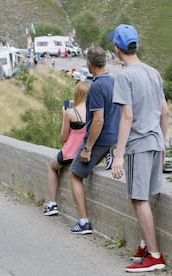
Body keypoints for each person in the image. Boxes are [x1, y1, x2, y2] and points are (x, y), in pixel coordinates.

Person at [109, 24, 168, 273]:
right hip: (155, 141)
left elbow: (127, 117)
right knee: (148, 195)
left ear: (117, 48)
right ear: (136, 45)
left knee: (138, 198)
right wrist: (164, 144)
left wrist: (119, 154)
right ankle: (145, 245)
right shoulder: (153, 72)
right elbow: (165, 112)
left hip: (138, 145)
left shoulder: (124, 76)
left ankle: (154, 256)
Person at [69, 46, 120, 234]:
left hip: (99, 140)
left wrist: (88, 148)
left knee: (75, 174)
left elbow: (98, 120)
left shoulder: (96, 87)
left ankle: (83, 221)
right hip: (114, 137)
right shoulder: (114, 82)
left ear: (89, 65)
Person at [43, 81, 90, 216]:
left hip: (69, 153)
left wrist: (64, 114)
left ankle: (52, 204)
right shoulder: (93, 113)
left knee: (52, 167)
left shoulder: (70, 112)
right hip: (84, 153)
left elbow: (63, 136)